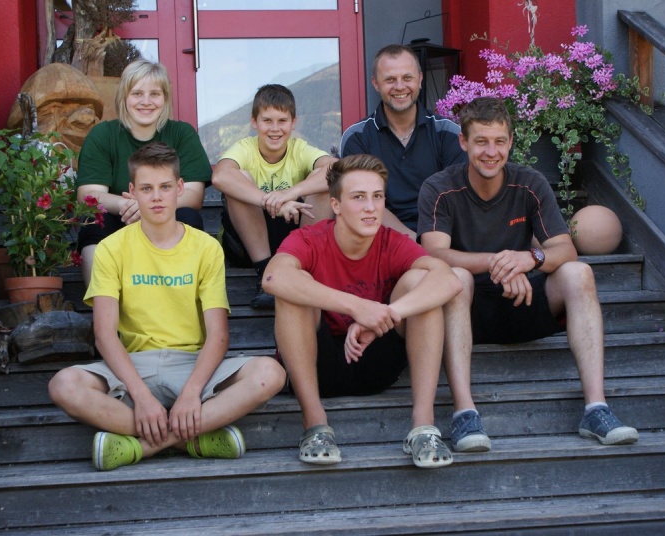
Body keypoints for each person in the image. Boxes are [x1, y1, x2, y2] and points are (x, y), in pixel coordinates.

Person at [417, 97, 638, 452]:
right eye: (481, 142)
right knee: (455, 277)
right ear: (463, 142)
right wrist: (500, 262)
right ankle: (464, 413)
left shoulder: (530, 182)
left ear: (511, 142)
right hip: (467, 309)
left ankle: (596, 408)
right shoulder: (439, 187)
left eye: (499, 141)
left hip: (523, 298)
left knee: (579, 273)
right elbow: (433, 253)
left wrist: (529, 258)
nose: (491, 152)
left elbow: (565, 249)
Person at [48, 142, 286, 471]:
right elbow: (104, 334)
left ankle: (141, 446)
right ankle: (193, 439)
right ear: (132, 192)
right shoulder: (110, 249)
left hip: (193, 364)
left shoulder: (206, 247)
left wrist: (191, 393)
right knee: (64, 385)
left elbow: (218, 335)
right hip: (133, 367)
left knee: (270, 374)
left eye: (164, 187)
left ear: (179, 188)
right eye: (146, 189)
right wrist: (141, 397)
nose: (157, 197)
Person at [262, 154, 463, 468]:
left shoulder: (392, 242)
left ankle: (423, 427)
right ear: (336, 205)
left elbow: (448, 279)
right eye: (358, 198)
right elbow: (273, 278)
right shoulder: (310, 239)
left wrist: (386, 314)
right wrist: (358, 307)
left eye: (377, 197)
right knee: (294, 287)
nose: (371, 207)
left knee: (421, 283)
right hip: (319, 363)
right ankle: (314, 424)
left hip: (377, 361)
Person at [76, 59, 210, 287]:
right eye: (137, 93)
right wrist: (128, 206)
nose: (146, 102)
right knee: (94, 221)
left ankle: (182, 298)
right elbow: (89, 195)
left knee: (189, 217)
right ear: (124, 97)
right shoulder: (103, 135)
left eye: (154, 94)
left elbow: (193, 195)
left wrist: (149, 206)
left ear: (165, 98)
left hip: (167, 218)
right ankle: (102, 302)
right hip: (121, 217)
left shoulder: (182, 134)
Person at [212, 84, 337, 309]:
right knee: (239, 177)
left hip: (291, 237)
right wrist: (270, 201)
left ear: (293, 122)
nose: (275, 129)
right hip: (245, 246)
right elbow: (220, 176)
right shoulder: (245, 148)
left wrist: (291, 193)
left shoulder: (299, 148)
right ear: (254, 122)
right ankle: (265, 274)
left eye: (282, 121)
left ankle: (303, 267)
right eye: (267, 121)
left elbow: (337, 170)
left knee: (324, 182)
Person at [340, 44, 467, 240]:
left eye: (407, 78)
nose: (400, 86)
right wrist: (414, 242)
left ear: (420, 79)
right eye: (390, 79)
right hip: (379, 239)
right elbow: (362, 202)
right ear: (376, 83)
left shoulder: (448, 133)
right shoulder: (357, 137)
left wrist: (431, 243)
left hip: (440, 236)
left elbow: (456, 199)